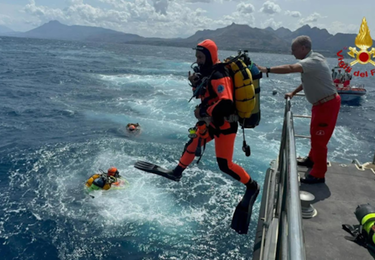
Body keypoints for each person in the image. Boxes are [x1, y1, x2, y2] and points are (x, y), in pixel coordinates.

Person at [138, 39, 260, 234]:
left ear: (210, 56)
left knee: (224, 164)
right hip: (211, 122)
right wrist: (195, 83)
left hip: (224, 124)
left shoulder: (219, 74)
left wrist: (203, 109)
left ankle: (252, 186)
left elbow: (226, 102)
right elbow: (207, 92)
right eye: (197, 56)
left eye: (201, 57)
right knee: (194, 141)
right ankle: (176, 172)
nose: (197, 60)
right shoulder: (208, 72)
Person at [257, 35, 341, 184]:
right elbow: (310, 81)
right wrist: (293, 93)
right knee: (315, 136)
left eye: (294, 49)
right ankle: (311, 160)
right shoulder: (314, 60)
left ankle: (318, 174)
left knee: (319, 141)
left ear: (303, 48)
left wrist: (266, 69)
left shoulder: (313, 61)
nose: (292, 53)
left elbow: (290, 68)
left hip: (327, 105)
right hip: (320, 105)